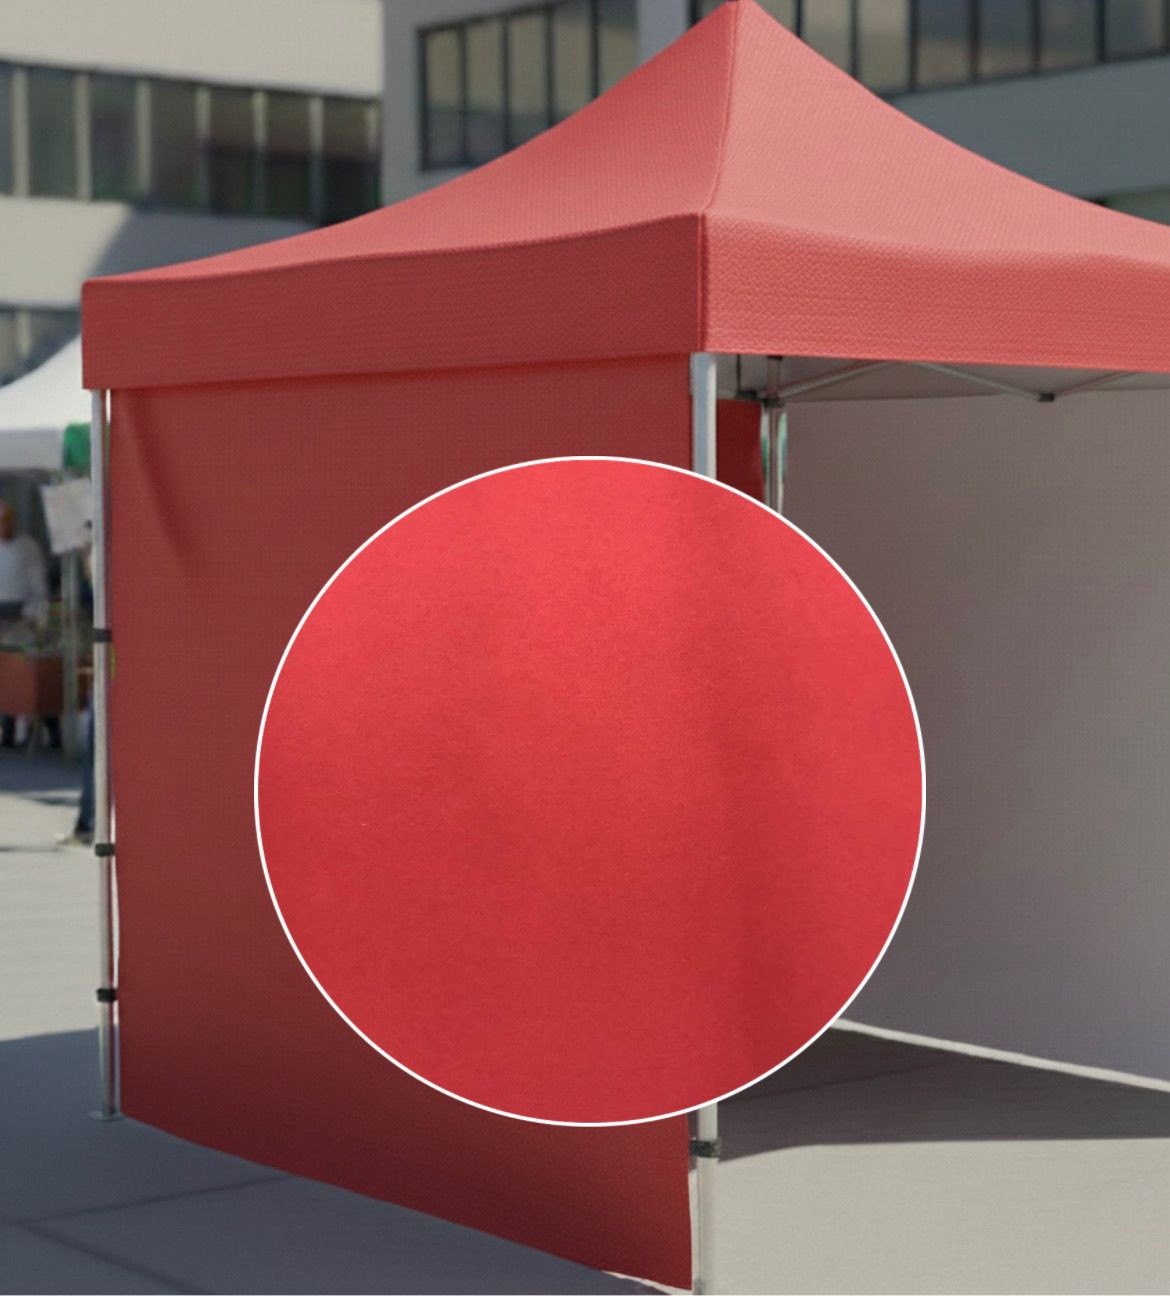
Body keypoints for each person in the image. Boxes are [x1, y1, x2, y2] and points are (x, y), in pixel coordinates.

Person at [0, 499, 49, 748]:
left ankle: (39, 726)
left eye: (4, 522)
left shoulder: (27, 547)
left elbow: (39, 588)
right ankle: (7, 727)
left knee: (22, 674)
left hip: (21, 617)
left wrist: (32, 615)